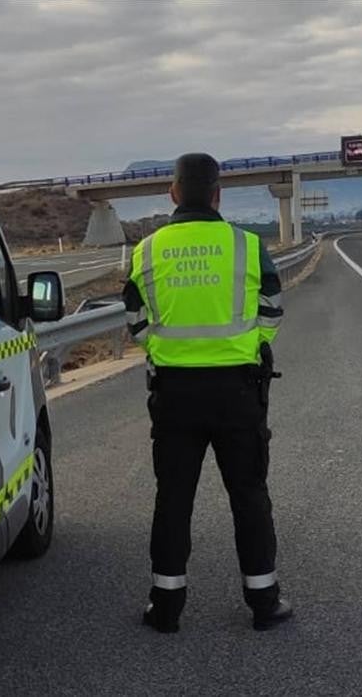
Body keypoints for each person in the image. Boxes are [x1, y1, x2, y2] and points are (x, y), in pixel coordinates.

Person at [122, 153, 293, 633]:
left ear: (173, 193)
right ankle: (264, 603)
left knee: (173, 500)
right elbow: (274, 310)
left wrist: (166, 350)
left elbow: (135, 323)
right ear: (218, 194)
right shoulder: (245, 245)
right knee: (249, 495)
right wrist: (251, 345)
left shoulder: (146, 251)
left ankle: (167, 609)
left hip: (174, 394)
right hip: (239, 391)